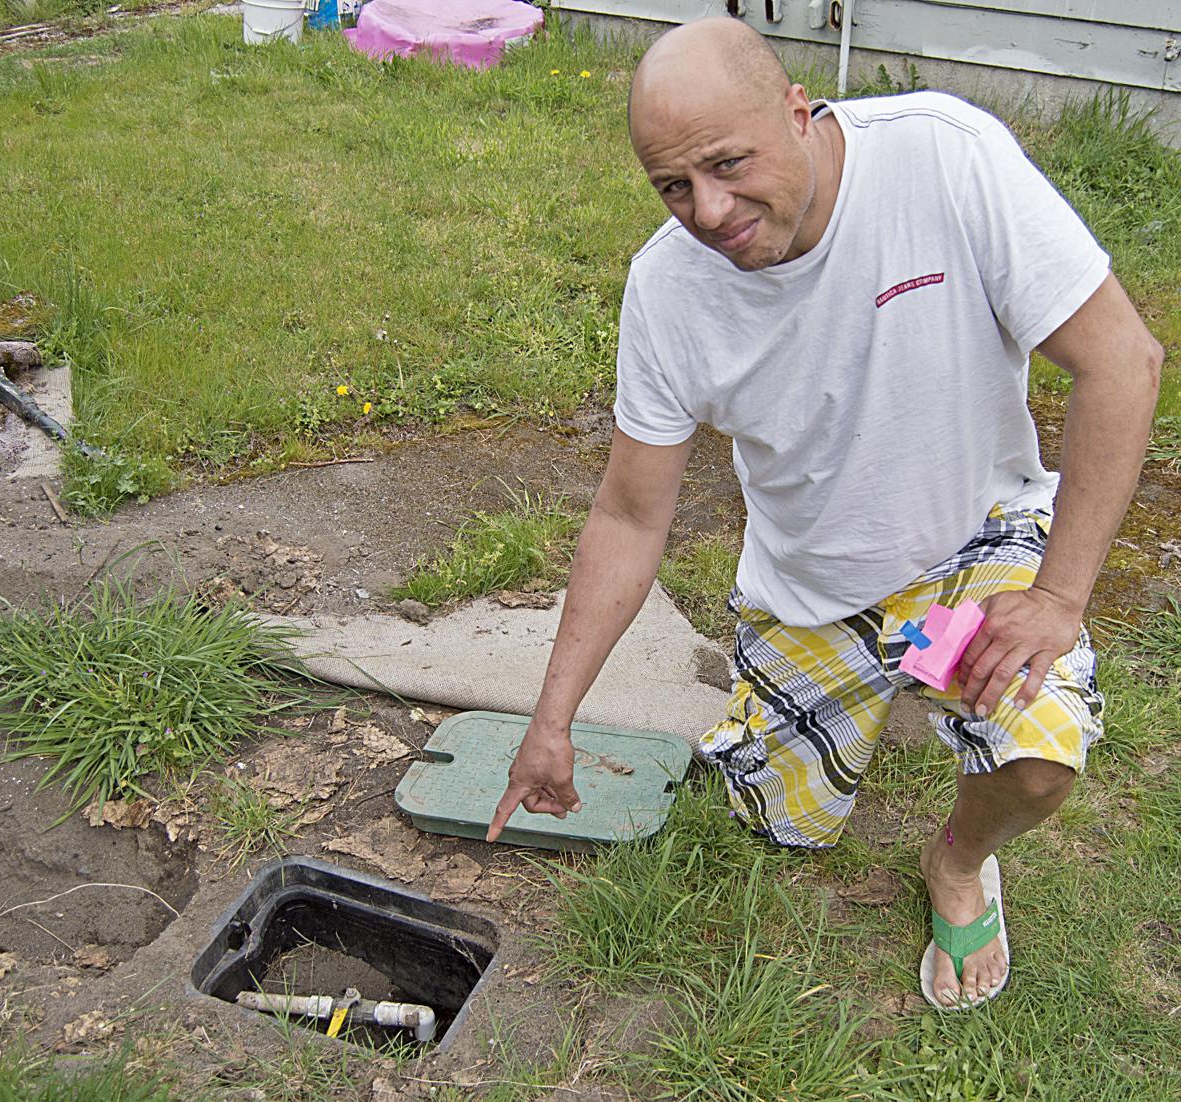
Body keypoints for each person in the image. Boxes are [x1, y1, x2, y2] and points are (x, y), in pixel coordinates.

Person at [486, 16, 1163, 1009]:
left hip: (974, 547)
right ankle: (848, 702)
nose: (708, 210)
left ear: (800, 113)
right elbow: (630, 519)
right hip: (809, 578)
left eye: (728, 163)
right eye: (673, 186)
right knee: (786, 823)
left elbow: (1123, 361)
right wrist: (552, 721)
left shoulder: (944, 157)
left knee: (1035, 761)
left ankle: (961, 859)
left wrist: (1058, 596)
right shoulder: (667, 292)